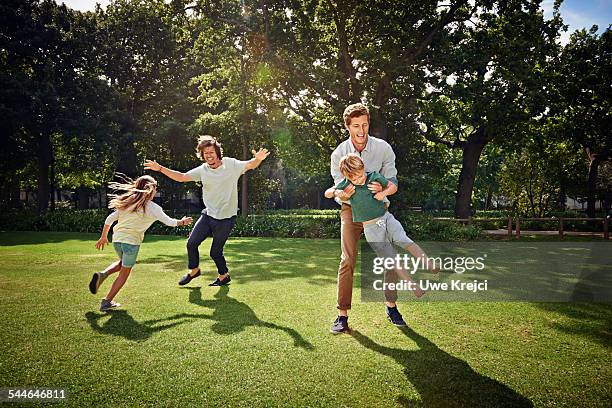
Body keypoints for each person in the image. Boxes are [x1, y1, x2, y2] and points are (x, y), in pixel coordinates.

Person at [144, 135, 269, 287]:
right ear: (202, 156)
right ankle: (194, 270)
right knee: (191, 244)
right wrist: (160, 169)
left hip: (226, 218)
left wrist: (258, 159)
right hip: (209, 214)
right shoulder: (203, 170)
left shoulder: (231, 164)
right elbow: (182, 177)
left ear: (217, 152)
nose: (209, 155)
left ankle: (223, 276)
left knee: (215, 252)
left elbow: (250, 164)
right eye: (205, 153)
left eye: (211, 152)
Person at [328, 102, 403, 334]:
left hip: (378, 211)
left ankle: (391, 307)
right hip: (350, 210)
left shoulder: (383, 149)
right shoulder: (339, 153)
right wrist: (342, 193)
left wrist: (383, 192)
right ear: (348, 127)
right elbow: (336, 189)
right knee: (347, 259)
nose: (361, 131)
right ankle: (342, 315)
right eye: (356, 126)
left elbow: (393, 183)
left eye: (365, 124)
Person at [325, 153, 437, 300]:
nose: (359, 180)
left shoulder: (373, 177)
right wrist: (337, 192)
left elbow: (392, 186)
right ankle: (413, 286)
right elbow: (327, 193)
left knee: (404, 240)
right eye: (355, 178)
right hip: (371, 228)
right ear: (347, 177)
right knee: (392, 258)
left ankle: (429, 264)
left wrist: (383, 192)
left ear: (363, 168)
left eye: (360, 175)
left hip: (386, 218)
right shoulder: (347, 184)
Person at [90, 175, 193, 311]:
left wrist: (103, 237)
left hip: (117, 240)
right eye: (155, 188)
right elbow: (170, 222)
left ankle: (103, 274)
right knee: (124, 273)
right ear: (152, 189)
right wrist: (182, 222)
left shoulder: (127, 203)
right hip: (131, 243)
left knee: (122, 263)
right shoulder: (153, 208)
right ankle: (107, 301)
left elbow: (110, 219)